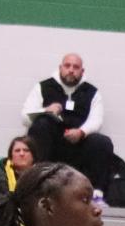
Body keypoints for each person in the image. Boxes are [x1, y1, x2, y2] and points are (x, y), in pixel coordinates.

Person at [21, 53, 117, 193]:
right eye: (67, 66)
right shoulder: (42, 87)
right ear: (60, 68)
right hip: (50, 146)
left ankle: (96, 192)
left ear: (82, 71)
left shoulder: (92, 92)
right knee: (41, 125)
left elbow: (97, 120)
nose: (71, 70)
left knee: (102, 142)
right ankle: (38, 185)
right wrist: (45, 110)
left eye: (76, 67)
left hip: (78, 145)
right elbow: (24, 117)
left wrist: (81, 132)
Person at [0, 136, 35, 203]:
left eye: (26, 150)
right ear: (11, 156)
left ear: (33, 156)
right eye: (17, 151)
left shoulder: (41, 176)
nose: (22, 154)